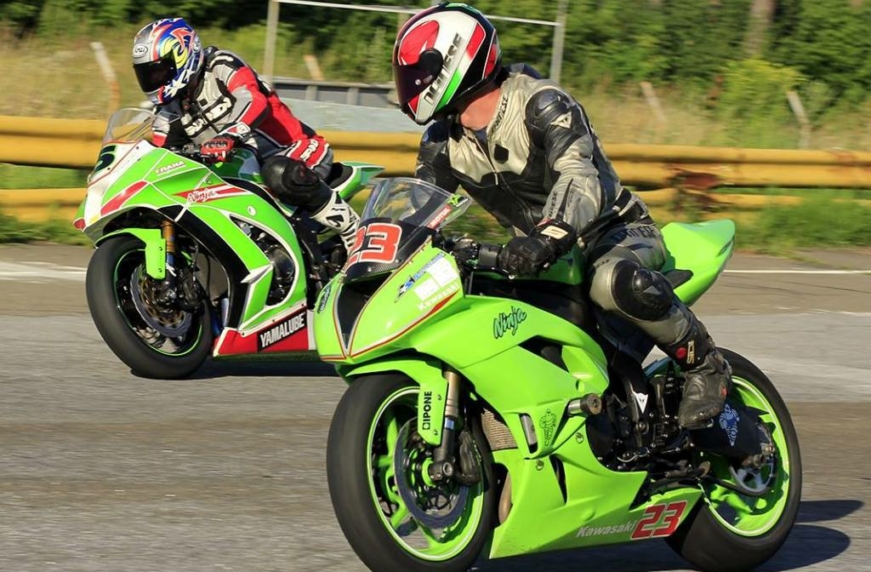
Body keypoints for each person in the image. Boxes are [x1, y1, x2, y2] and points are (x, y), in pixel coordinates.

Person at [392, 2, 730, 429]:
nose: (411, 83)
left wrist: (549, 235)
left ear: (456, 58)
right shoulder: (442, 142)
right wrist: (379, 253)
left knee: (611, 283)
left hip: (614, 231)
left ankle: (705, 364)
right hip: (539, 254)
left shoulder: (541, 103)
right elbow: (420, 210)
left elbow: (579, 177)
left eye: (418, 71)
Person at [131, 18, 359, 252]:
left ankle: (352, 229)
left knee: (278, 173)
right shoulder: (168, 111)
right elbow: (163, 154)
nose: (154, 80)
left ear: (183, 56)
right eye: (147, 74)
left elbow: (253, 100)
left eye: (159, 71)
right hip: (241, 171)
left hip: (295, 149)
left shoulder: (220, 65)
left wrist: (230, 135)